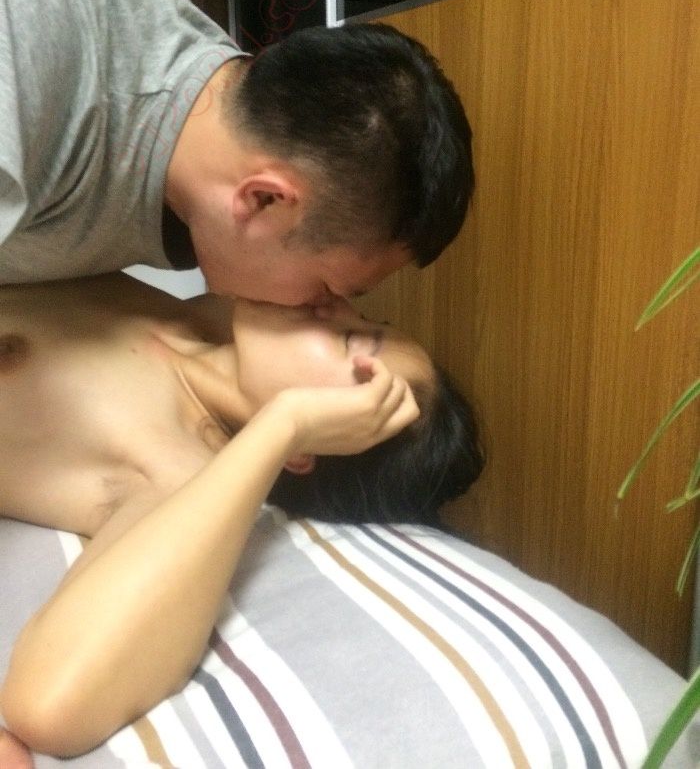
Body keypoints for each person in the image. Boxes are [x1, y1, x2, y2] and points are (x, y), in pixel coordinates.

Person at [0, 272, 483, 760]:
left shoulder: (172, 468)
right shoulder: (207, 317)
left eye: (349, 339)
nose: (334, 306)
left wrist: (285, 425)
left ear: (315, 443)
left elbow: (49, 706)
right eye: (363, 316)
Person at [0, 0, 475, 304]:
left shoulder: (210, 142)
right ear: (264, 199)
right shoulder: (25, 13)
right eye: (327, 290)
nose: (328, 313)